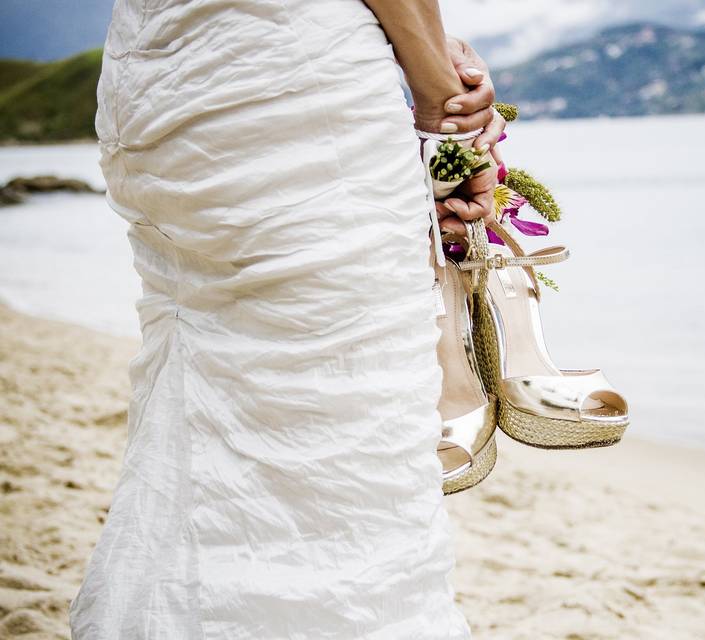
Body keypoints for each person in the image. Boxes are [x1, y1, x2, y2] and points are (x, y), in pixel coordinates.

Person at [68, 0, 503, 637]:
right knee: (345, 435)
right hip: (290, 91)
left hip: (157, 80)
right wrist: (446, 105)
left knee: (209, 399)